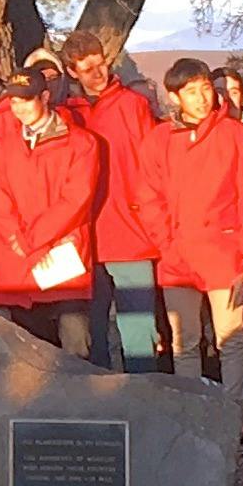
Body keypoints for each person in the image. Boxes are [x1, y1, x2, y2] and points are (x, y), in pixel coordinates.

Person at [144, 58, 243, 397]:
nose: (201, 98)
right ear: (174, 97)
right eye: (191, 91)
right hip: (177, 257)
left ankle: (235, 414)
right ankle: (192, 412)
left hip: (225, 253)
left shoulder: (238, 136)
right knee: (184, 342)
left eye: (205, 89)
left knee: (231, 339)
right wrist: (166, 242)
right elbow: (148, 197)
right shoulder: (158, 140)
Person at [0, 64, 99, 358]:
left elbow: (76, 199)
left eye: (26, 98)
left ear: (45, 97)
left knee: (75, 354)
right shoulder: (1, 151)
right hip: (20, 268)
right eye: (14, 100)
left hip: (64, 263)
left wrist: (30, 240)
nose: (19, 107)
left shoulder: (81, 143)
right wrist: (20, 240)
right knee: (30, 361)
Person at [64, 30, 164, 371]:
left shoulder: (133, 106)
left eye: (100, 63)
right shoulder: (66, 114)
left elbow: (154, 168)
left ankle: (143, 400)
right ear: (72, 71)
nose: (97, 72)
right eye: (87, 67)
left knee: (138, 331)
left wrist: (148, 216)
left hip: (131, 233)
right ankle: (100, 407)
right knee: (90, 335)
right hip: (84, 239)